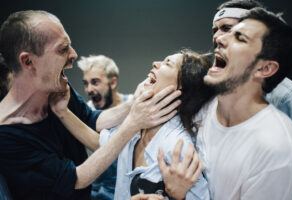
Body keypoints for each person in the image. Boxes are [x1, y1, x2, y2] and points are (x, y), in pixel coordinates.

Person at [0, 10, 181, 200]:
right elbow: (78, 178)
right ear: (28, 61)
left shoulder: (55, 86)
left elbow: (92, 119)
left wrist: (135, 102)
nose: (74, 55)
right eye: (62, 49)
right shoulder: (7, 136)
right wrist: (133, 122)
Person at [158, 7, 292, 200]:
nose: (219, 38)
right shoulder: (204, 107)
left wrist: (178, 195)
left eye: (240, 38)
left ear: (265, 68)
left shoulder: (274, 147)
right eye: (222, 32)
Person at [50, 50, 216, 199]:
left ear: (180, 88)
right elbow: (100, 143)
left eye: (168, 63)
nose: (155, 63)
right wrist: (62, 112)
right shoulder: (137, 126)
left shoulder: (178, 147)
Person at [212, 0, 292, 137]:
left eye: (226, 28)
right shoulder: (214, 88)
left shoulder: (288, 97)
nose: (216, 36)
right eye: (215, 30)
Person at [77, 54, 132, 200]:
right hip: (97, 192)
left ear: (113, 82)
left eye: (95, 82)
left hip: (128, 189)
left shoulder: (133, 106)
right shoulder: (86, 112)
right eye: (86, 83)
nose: (89, 89)